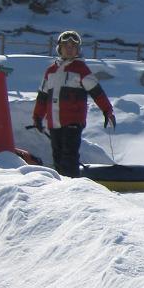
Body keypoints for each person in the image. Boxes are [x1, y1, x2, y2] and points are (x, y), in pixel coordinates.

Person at [32, 29, 115, 178]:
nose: (69, 50)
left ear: (78, 50)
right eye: (66, 46)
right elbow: (43, 97)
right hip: (54, 123)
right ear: (60, 49)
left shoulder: (81, 69)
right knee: (57, 156)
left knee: (69, 157)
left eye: (73, 47)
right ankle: (60, 188)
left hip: (73, 122)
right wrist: (38, 116)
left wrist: (107, 110)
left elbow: (97, 92)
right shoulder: (50, 71)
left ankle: (72, 188)